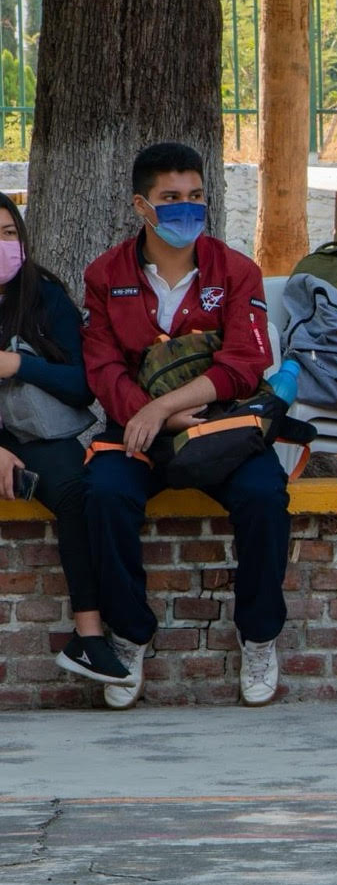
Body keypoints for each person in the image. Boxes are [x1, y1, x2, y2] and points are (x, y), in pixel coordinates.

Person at [81, 142, 290, 709]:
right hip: (139, 433)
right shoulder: (105, 275)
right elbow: (101, 366)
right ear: (140, 206)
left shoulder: (237, 270)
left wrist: (163, 406)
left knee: (266, 497)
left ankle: (260, 634)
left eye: (196, 197)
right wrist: (151, 414)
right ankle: (129, 635)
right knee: (103, 495)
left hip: (222, 429)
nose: (186, 209)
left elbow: (247, 362)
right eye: (170, 199)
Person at [0, 194, 125, 685]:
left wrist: (20, 365)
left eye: (9, 233)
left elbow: (82, 384)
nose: (3, 244)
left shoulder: (44, 295)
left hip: (35, 434)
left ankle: (88, 638)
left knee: (81, 492)